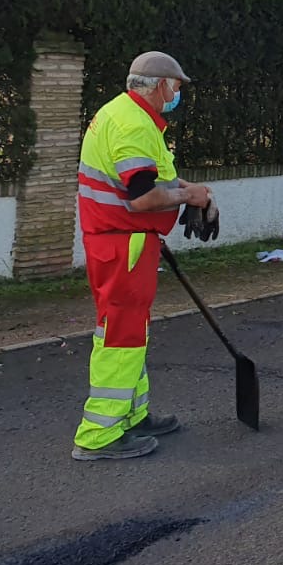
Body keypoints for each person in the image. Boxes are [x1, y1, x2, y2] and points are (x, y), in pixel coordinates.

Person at [72, 51, 218, 461]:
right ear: (159, 86)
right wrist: (189, 196)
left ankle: (130, 416)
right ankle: (98, 436)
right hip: (123, 242)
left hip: (123, 240)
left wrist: (193, 192)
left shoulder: (125, 114)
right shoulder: (133, 125)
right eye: (176, 87)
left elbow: (155, 180)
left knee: (131, 331)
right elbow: (143, 199)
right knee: (120, 335)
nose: (176, 94)